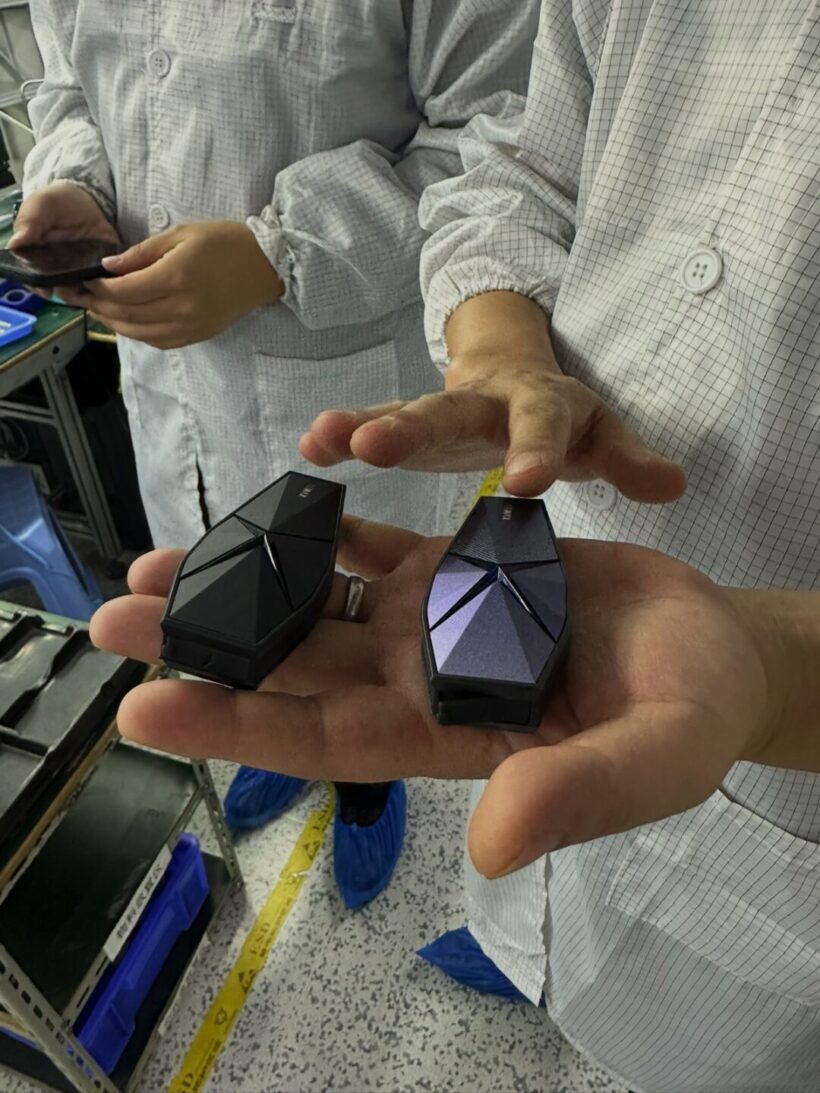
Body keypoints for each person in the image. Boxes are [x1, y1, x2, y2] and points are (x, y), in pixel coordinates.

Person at [93, 0, 820, 1089]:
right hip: (557, 520)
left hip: (781, 710)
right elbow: (521, 162)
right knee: (523, 840)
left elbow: (456, 118)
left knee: (697, 1017)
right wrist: (500, 343)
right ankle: (523, 952)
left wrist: (778, 666)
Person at [14, 0, 539, 909]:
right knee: (224, 617)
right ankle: (279, 737)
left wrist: (278, 252)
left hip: (335, 388)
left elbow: (499, 143)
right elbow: (66, 84)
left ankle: (367, 784)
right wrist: (75, 186)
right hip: (171, 388)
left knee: (359, 627)